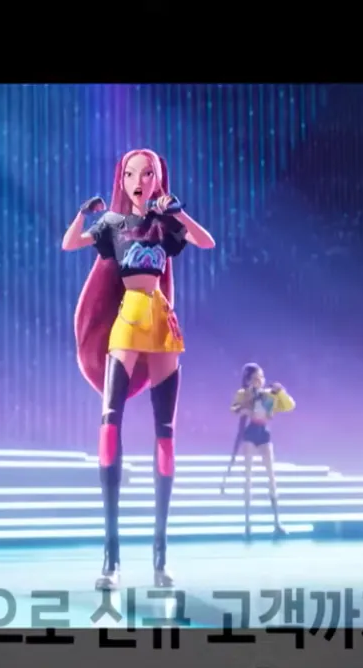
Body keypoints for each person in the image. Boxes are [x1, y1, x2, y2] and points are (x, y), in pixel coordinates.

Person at [65, 149, 216, 591]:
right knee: (110, 422)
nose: (139, 181)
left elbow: (206, 242)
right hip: (128, 318)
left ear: (157, 179)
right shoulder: (113, 223)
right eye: (131, 173)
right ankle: (111, 559)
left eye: (148, 174)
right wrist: (83, 214)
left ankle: (160, 558)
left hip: (161, 320)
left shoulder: (164, 223)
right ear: (122, 179)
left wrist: (178, 212)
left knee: (165, 433)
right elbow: (70, 244)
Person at [228, 363, 296, 536]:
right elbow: (234, 408)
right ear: (249, 380)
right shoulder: (244, 393)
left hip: (264, 434)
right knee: (248, 477)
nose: (259, 380)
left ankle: (277, 521)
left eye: (261, 377)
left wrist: (281, 392)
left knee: (271, 477)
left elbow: (289, 406)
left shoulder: (269, 395)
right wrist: (246, 405)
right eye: (256, 378)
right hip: (250, 434)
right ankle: (248, 523)